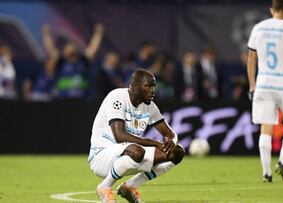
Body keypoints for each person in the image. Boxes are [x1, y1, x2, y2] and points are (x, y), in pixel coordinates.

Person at [89, 68, 185, 203]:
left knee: (176, 153)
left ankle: (129, 187)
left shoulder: (149, 106)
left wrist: (172, 142)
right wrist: (154, 143)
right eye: (148, 86)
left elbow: (170, 134)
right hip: (101, 156)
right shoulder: (117, 97)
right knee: (136, 150)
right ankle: (105, 187)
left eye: (154, 86)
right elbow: (119, 136)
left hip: (129, 156)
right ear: (134, 87)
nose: (152, 90)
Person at [247, 0, 283, 182]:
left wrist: (252, 85)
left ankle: (266, 173)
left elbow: (250, 58)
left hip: (263, 82)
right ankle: (281, 161)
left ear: (272, 10)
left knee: (266, 125)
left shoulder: (258, 28)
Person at [42, 23, 104, 99]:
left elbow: (93, 48)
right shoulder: (61, 61)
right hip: (63, 100)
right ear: (64, 51)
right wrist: (46, 34)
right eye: (67, 47)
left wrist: (98, 34)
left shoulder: (83, 60)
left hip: (82, 100)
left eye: (72, 45)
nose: (70, 47)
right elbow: (50, 48)